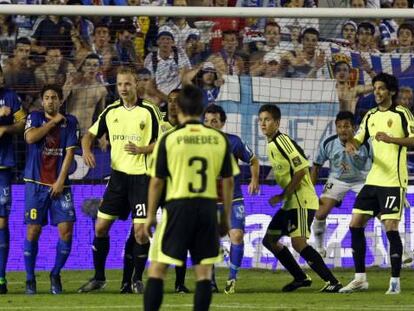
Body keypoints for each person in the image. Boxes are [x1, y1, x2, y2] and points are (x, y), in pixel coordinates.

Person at [143, 85, 239, 311]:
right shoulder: (218, 140)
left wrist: (149, 216)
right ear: (201, 108)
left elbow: (157, 181)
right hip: (207, 208)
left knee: (157, 269)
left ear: (179, 108)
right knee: (203, 273)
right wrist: (225, 217)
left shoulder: (169, 139)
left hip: (178, 207)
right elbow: (229, 180)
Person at [78, 67, 161, 293]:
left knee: (141, 233)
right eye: (120, 84)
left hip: (141, 180)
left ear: (136, 85)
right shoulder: (111, 111)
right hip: (117, 180)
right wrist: (87, 150)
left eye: (128, 84)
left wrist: (142, 149)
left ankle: (136, 278)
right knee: (101, 228)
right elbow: (89, 135)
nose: (123, 88)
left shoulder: (149, 111)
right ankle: (99, 278)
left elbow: (162, 142)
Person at [340, 73, 414, 294]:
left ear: (391, 91)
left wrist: (391, 139)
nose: (377, 92)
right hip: (373, 179)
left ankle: (395, 281)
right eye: (375, 88)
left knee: (390, 227)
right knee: (355, 224)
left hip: (393, 180)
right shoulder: (370, 115)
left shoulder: (402, 114)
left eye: (381, 88)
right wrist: (351, 145)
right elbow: (358, 138)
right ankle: (360, 278)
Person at [258, 104, 342, 293]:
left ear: (277, 123)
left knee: (299, 243)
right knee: (270, 240)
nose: (263, 123)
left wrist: (282, 194)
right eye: (261, 120)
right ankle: (300, 277)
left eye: (267, 119)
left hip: (301, 200)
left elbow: (302, 170)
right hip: (290, 203)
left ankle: (333, 282)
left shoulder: (282, 141)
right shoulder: (271, 143)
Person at [121, 89, 189, 294]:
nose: (173, 104)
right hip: (150, 183)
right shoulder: (158, 122)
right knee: (138, 233)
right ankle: (129, 280)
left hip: (176, 186)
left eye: (178, 101)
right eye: (170, 100)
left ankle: (179, 284)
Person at [23, 84, 78, 295]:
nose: (50, 101)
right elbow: (30, 138)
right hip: (35, 184)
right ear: (42, 100)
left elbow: (70, 153)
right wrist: (53, 122)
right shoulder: (35, 117)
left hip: (60, 185)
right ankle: (30, 280)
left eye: (54, 97)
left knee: (66, 230)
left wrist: (60, 181)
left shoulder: (70, 122)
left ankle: (55, 274)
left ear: (60, 100)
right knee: (33, 231)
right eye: (46, 97)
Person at [203, 104, 259, 294]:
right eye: (207, 121)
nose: (210, 125)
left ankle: (232, 279)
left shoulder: (233, 142)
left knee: (236, 235)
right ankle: (210, 281)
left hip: (232, 199)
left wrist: (254, 179)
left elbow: (253, 160)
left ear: (222, 123)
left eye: (214, 121)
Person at [310, 111, 371, 257]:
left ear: (354, 128)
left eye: (346, 126)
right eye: (339, 127)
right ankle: (319, 248)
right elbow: (316, 166)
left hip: (361, 180)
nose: (343, 130)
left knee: (382, 212)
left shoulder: (365, 143)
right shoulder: (328, 143)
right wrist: (311, 190)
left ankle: (400, 249)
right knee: (320, 213)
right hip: (337, 181)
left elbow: (376, 164)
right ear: (336, 128)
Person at [0, 67, 26, 294]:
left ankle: (0, 278)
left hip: (3, 166)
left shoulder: (10, 96)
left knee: (1, 222)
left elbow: (23, 124)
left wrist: (6, 126)